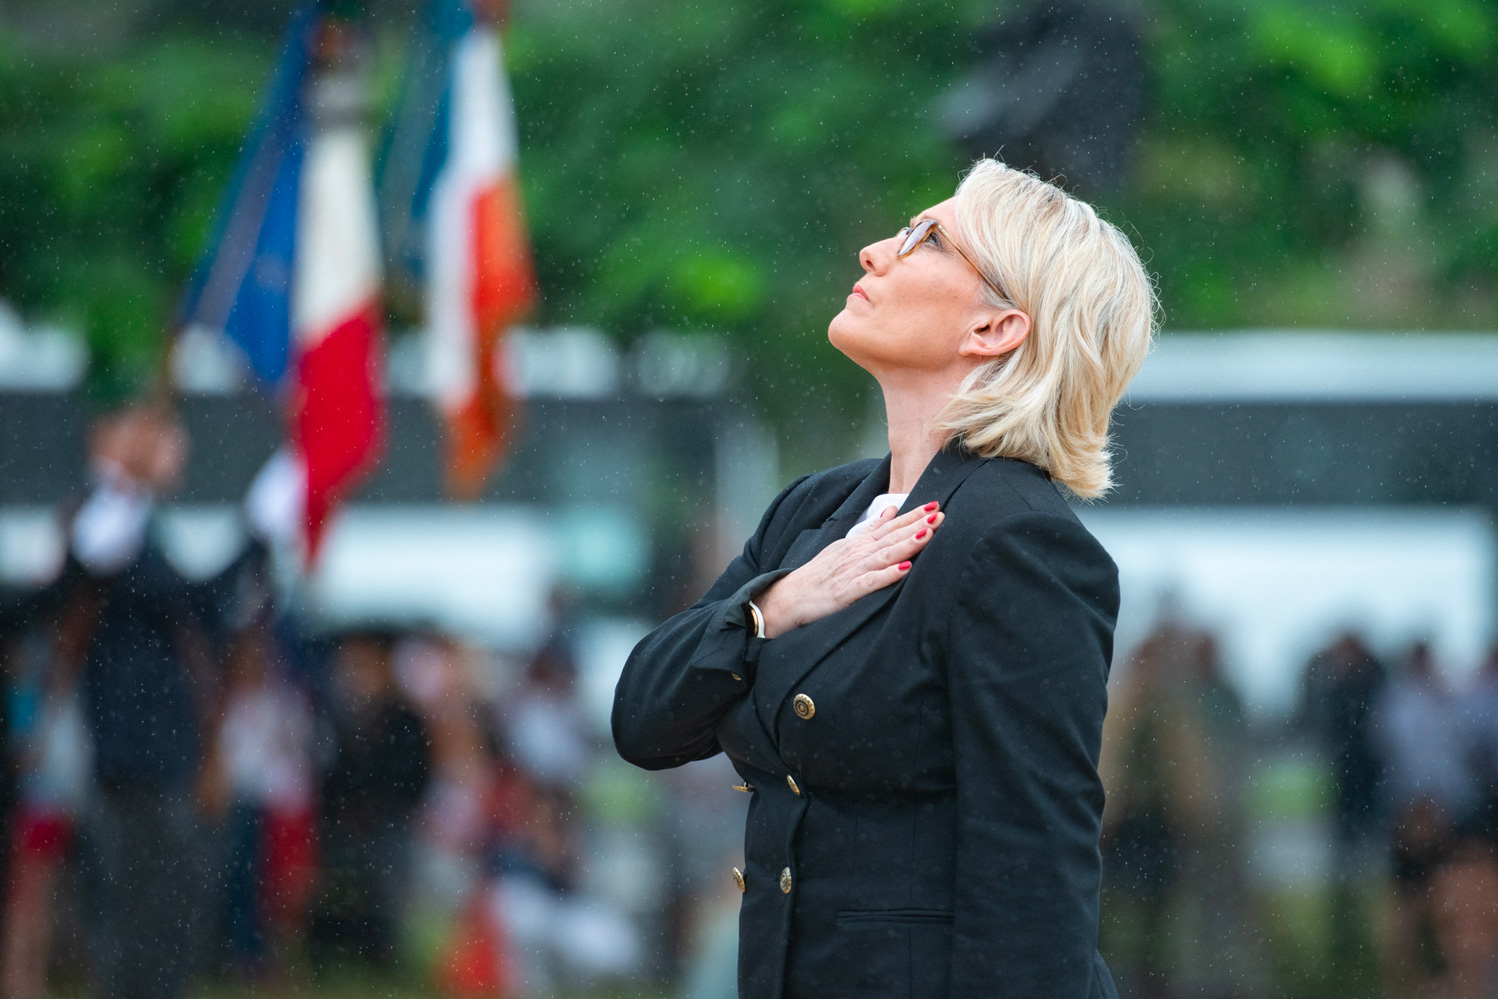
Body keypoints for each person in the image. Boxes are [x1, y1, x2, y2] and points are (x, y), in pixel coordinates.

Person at [612, 159, 1155, 999]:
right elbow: (645, 720)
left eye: (926, 240)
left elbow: (1033, 877)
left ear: (996, 329)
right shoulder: (815, 510)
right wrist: (779, 603)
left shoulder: (1020, 542)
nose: (874, 252)